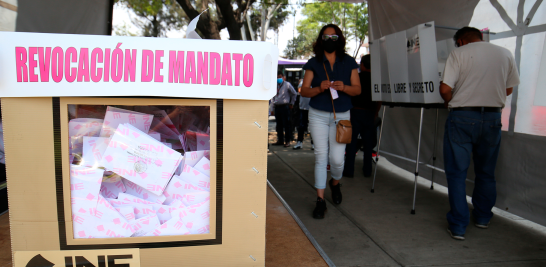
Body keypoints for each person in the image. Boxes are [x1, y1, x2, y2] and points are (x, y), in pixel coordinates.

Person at [440, 27, 520, 240]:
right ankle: (483, 217)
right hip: (493, 119)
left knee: (457, 173)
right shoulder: (505, 53)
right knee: (486, 171)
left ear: (461, 41)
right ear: (481, 37)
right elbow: (509, 89)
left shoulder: (458, 54)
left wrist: (453, 100)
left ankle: (458, 226)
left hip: (463, 117)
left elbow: (445, 89)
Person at [301, 24, 361, 219]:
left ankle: (335, 182)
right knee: (321, 157)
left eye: (333, 37)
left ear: (339, 39)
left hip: (342, 116)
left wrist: (344, 87)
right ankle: (320, 200)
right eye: (326, 37)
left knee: (337, 159)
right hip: (318, 114)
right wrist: (319, 88)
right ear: (320, 39)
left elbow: (357, 90)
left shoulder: (349, 61)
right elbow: (304, 90)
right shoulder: (313, 62)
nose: (329, 40)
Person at [343, 54, 381, 178]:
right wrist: (375, 113)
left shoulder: (356, 78)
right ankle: (367, 171)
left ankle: (349, 170)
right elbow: (379, 99)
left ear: (362, 65)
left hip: (355, 112)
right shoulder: (377, 80)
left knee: (351, 143)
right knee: (368, 144)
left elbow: (348, 94)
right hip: (370, 113)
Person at [272, 72, 297, 147]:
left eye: (280, 77)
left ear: (283, 77)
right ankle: (280, 140)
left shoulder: (287, 84)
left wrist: (291, 103)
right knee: (279, 125)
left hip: (285, 106)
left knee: (286, 125)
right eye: (277, 77)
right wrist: (272, 108)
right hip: (277, 106)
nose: (279, 79)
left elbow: (294, 93)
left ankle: (287, 141)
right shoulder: (274, 85)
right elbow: (273, 96)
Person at [294, 78, 313, 150]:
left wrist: (306, 90)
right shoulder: (303, 81)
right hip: (303, 107)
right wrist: (311, 91)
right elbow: (300, 90)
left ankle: (313, 143)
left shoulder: (315, 80)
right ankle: (299, 142)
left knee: (312, 127)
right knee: (301, 126)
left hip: (312, 108)